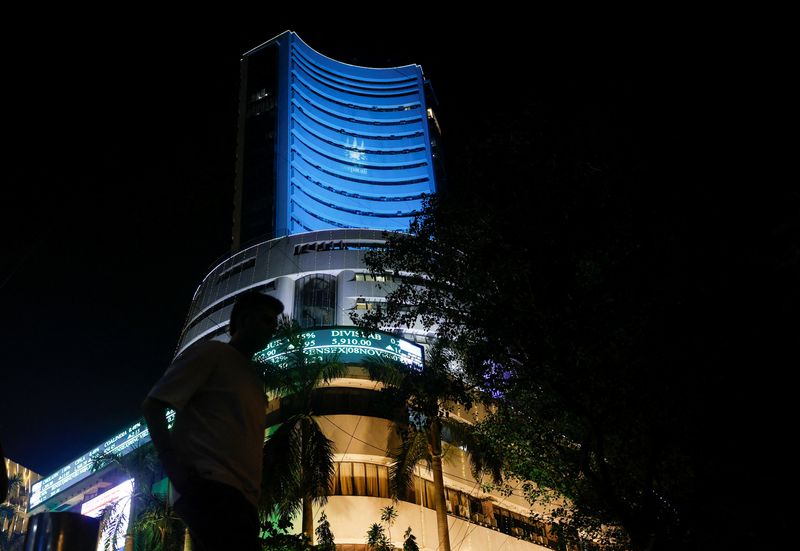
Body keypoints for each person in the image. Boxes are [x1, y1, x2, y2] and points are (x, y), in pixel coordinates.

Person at [142, 291, 283, 551]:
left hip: (241, 499)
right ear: (243, 320)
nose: (271, 330)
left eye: (273, 325)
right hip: (210, 486)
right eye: (265, 321)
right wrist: (173, 466)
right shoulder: (213, 354)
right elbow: (154, 404)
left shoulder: (254, 382)